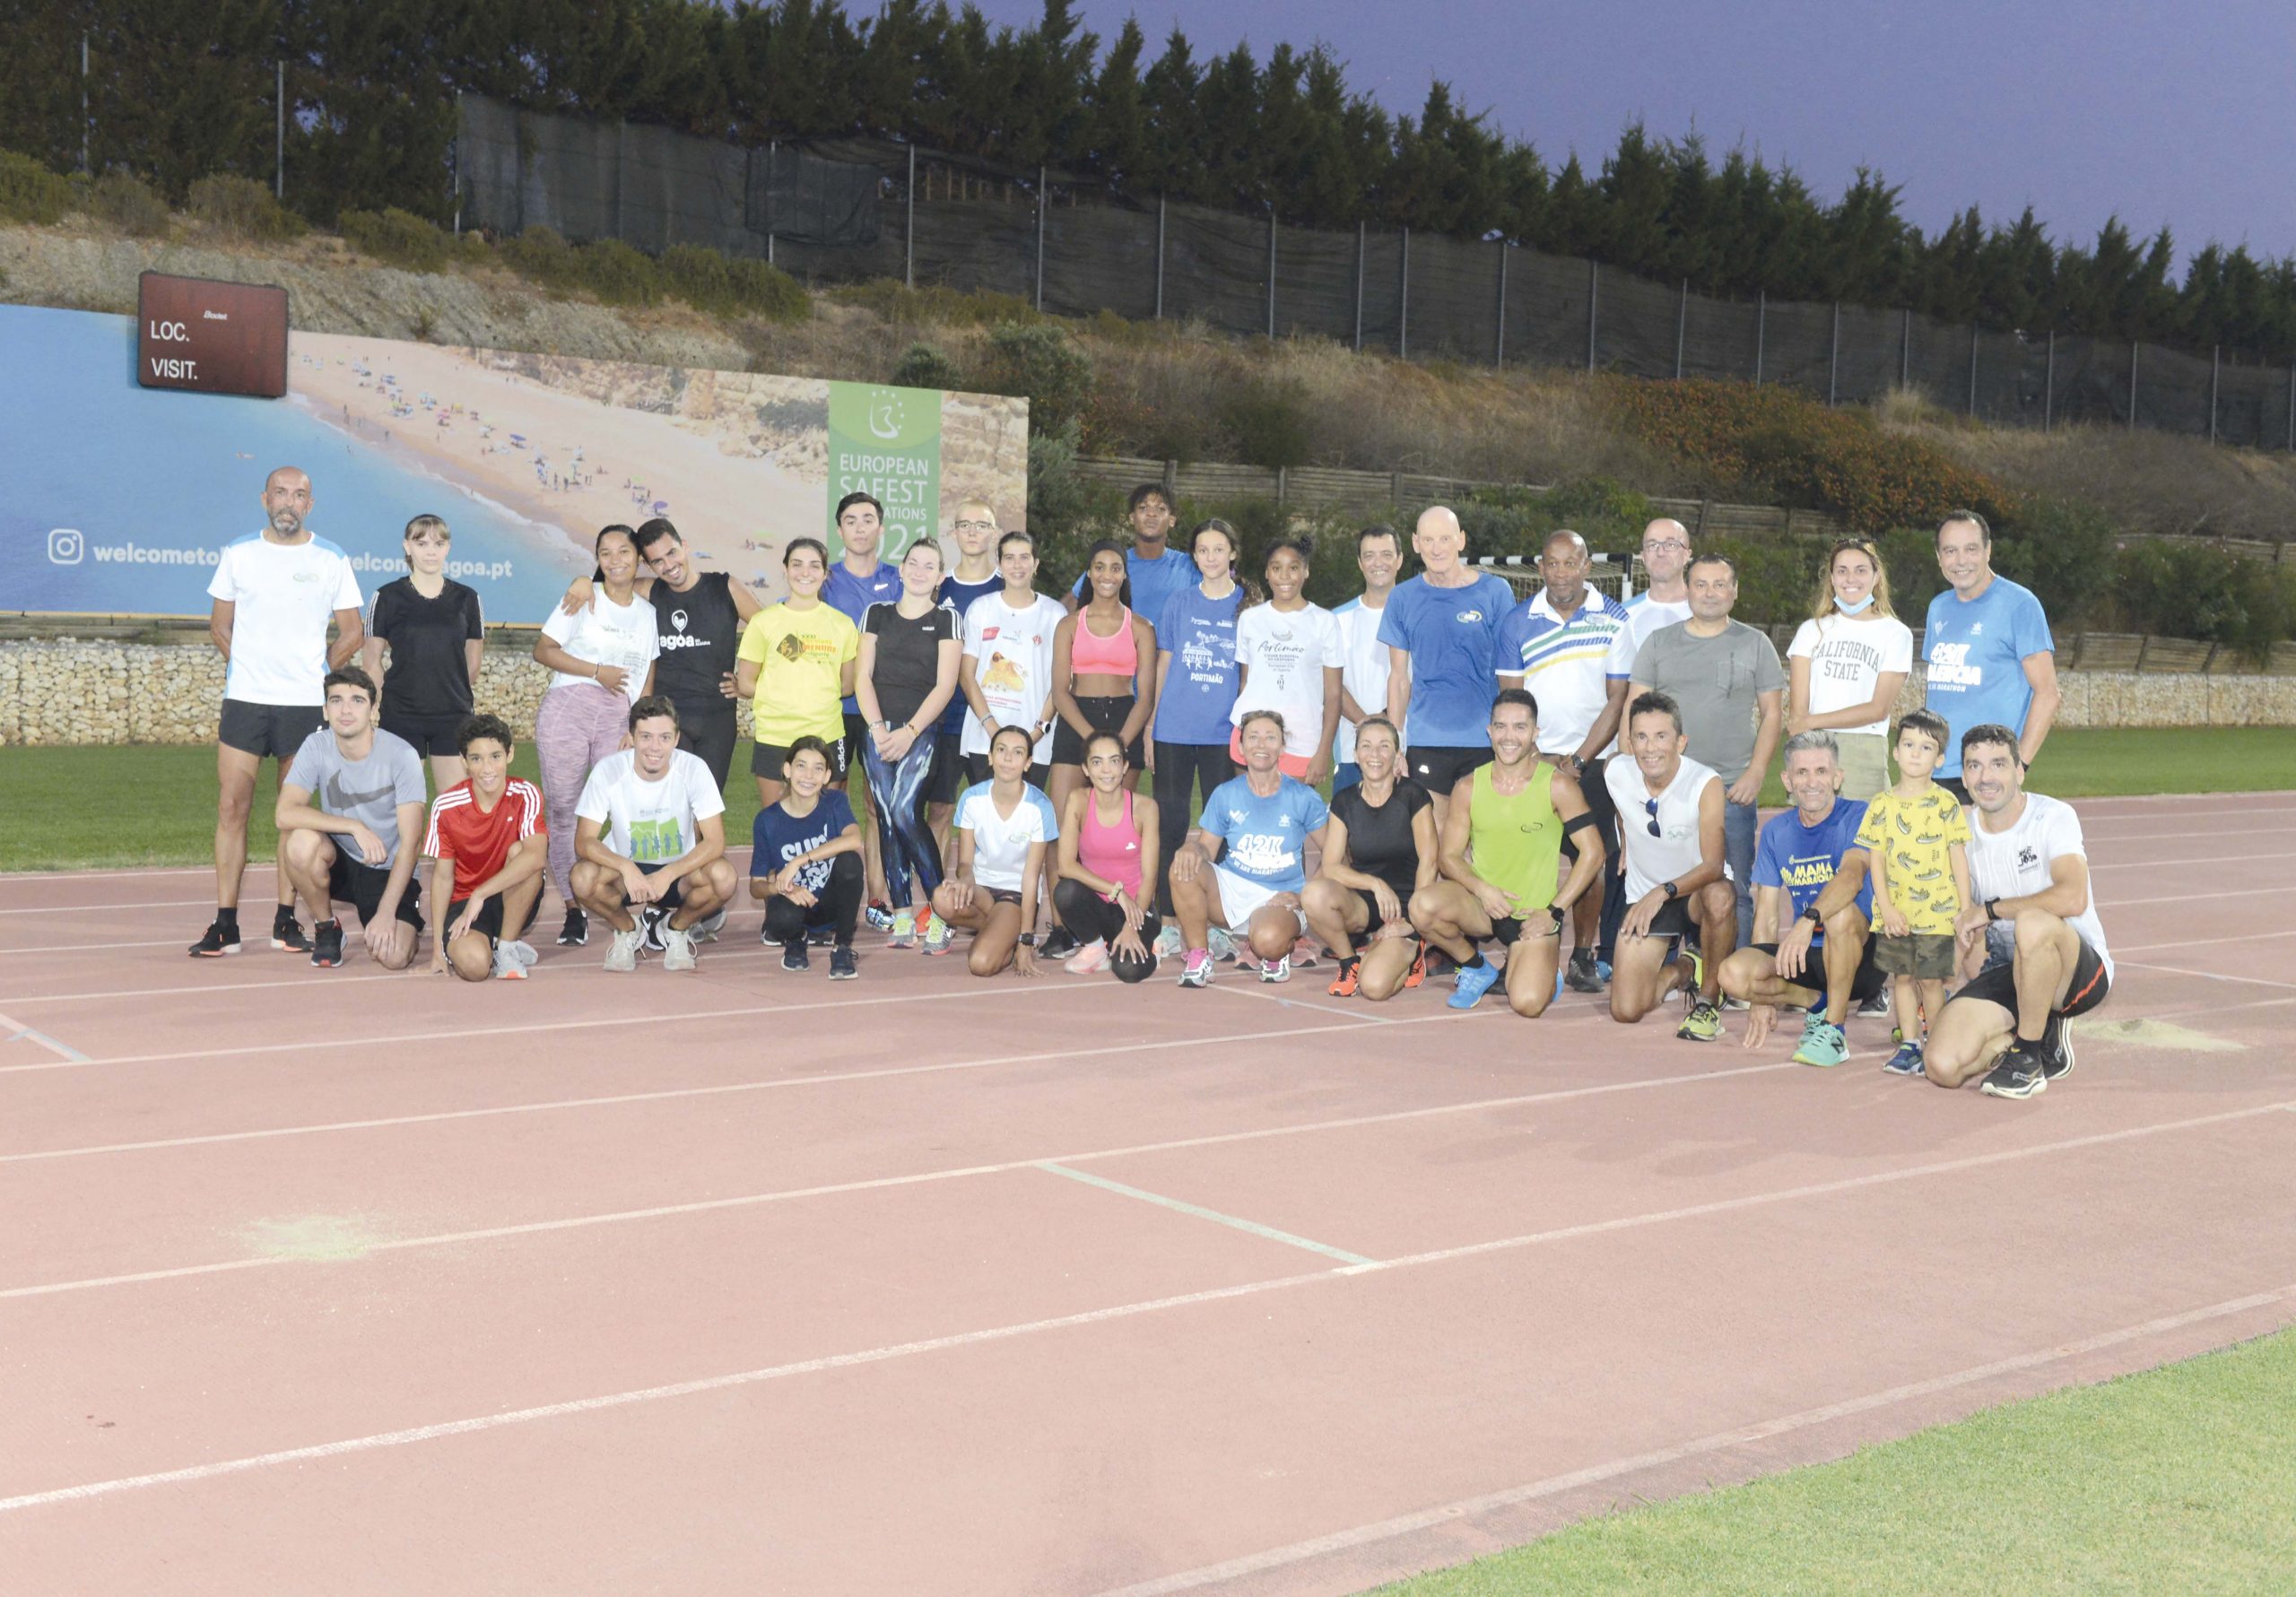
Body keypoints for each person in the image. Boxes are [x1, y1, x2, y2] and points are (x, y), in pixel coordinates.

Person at [193, 464, 365, 959]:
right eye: (281, 492)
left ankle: (286, 920)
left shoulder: (331, 557)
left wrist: (316, 675)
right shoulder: (238, 553)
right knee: (232, 808)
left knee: (291, 818)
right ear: (264, 498)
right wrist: (250, 669)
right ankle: (225, 923)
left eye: (300, 494)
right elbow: (219, 627)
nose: (289, 501)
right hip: (245, 702)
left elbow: (351, 633)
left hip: (304, 706)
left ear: (310, 504)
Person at [1920, 725, 2112, 1100]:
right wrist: (1935, 984)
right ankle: (2034, 1036)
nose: (1985, 777)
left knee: (2032, 922)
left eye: (1998, 764)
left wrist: (1990, 910)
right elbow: (1962, 924)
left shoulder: (2053, 816)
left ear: (2019, 771)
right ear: (1963, 776)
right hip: (2007, 970)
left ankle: (2027, 1057)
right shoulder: (1960, 833)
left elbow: (2073, 897)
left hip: (2073, 971)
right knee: (1942, 1066)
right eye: (1974, 766)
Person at [1408, 690, 1603, 1017]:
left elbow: (1593, 853)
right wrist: (1483, 890)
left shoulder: (1558, 786)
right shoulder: (1469, 786)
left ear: (1535, 734)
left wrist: (1554, 911)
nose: (1509, 737)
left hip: (1535, 914)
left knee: (1526, 1003)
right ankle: (1476, 966)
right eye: (1501, 727)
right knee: (1422, 906)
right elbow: (1449, 857)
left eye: (1519, 727)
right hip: (1485, 908)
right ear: (1489, 731)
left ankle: (1539, 968)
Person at [1496, 529, 1631, 994]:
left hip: (1590, 764)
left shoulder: (1616, 619)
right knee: (1520, 862)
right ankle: (1517, 951)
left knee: (1589, 863)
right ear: (1540, 568)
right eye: (1552, 564)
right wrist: (1535, 756)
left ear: (1587, 566)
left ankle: (1583, 955)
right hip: (1532, 762)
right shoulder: (1517, 622)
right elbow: (1511, 700)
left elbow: (1617, 702)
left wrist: (1577, 759)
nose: (1561, 573)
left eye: (1570, 563)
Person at [1630, 552, 1784, 946]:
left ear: (1734, 591)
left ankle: (1740, 974)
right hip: (1668, 790)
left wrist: (1755, 773)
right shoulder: (1659, 643)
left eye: (1719, 584)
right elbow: (1634, 714)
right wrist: (1637, 781)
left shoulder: (1756, 643)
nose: (1710, 593)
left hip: (1731, 788)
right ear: (1687, 589)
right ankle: (1676, 964)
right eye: (1700, 584)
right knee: (1670, 882)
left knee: (1735, 887)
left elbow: (1772, 715)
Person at [1717, 731, 1886, 1066]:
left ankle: (1834, 1030)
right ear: (1787, 780)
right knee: (1732, 974)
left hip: (1863, 956)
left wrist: (1808, 920)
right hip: (1810, 955)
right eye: (1802, 773)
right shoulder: (1777, 831)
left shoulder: (1859, 815)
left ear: (1838, 778)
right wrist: (1760, 1001)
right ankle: (1817, 1002)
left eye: (1822, 772)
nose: (1812, 782)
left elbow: (1852, 877)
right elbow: (1765, 915)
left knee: (1838, 915)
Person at [532, 525, 661, 947]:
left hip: (617, 715)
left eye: (624, 551)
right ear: (598, 559)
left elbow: (647, 675)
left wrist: (635, 725)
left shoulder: (647, 613)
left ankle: (612, 891)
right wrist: (594, 671)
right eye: (606, 553)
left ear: (638, 558)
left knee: (621, 807)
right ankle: (573, 910)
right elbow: (543, 649)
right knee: (565, 811)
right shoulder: (584, 597)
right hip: (569, 705)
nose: (616, 560)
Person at [569, 696, 737, 974]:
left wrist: (670, 873)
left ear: (676, 739)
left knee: (725, 877)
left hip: (679, 874)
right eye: (646, 736)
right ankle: (627, 930)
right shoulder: (608, 771)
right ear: (631, 736)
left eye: (664, 737)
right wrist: (625, 866)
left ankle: (676, 929)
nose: (655, 747)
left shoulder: (694, 769)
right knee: (582, 878)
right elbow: (584, 840)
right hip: (626, 875)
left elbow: (716, 841)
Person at [274, 667, 428, 970]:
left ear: (374, 710)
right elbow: (284, 813)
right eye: (336, 700)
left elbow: (411, 843)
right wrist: (353, 827)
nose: (346, 709)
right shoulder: (316, 746)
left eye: (357, 700)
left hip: (386, 867)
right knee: (299, 842)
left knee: (394, 957)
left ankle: (402, 919)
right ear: (325, 709)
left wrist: (386, 912)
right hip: (342, 858)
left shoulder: (401, 755)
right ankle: (326, 928)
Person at [1605, 692, 1737, 1037]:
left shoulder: (1704, 784)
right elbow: (1620, 806)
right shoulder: (1616, 771)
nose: (1650, 748)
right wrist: (1624, 839)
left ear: (1681, 741)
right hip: (1645, 893)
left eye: (1661, 736)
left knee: (1720, 895)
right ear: (1630, 741)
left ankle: (1709, 999)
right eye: (1641, 737)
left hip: (1694, 893)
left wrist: (1662, 893)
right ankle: (1685, 969)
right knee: (1625, 1009)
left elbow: (1713, 864)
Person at [1596, 517, 1695, 971]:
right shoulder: (1624, 615)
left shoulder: (1704, 607)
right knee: (1628, 851)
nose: (1660, 552)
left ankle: (1694, 953)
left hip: (1693, 760)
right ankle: (1614, 949)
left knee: (1693, 853)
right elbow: (1623, 697)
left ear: (1687, 552)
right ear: (1641, 555)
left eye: (1670, 544)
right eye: (1651, 545)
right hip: (1645, 756)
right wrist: (1625, 762)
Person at [1169, 709, 1331, 987]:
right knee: (1183, 869)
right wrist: (1191, 850)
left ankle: (1277, 949)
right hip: (1233, 893)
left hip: (1280, 896)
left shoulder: (1302, 797)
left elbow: (1334, 854)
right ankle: (1199, 956)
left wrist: (1304, 896)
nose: (1261, 745)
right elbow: (1207, 847)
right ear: (1241, 747)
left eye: (1271, 738)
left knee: (1267, 941)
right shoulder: (1226, 794)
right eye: (1253, 737)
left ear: (1282, 747)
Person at [1850, 709, 1972, 1077]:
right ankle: (1909, 1044)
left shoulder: (1947, 804)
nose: (1915, 753)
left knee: (1932, 980)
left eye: (1926, 747)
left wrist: (1965, 909)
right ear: (1895, 752)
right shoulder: (1882, 806)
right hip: (1897, 913)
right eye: (1908, 744)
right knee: (1902, 978)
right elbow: (1877, 862)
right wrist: (1886, 908)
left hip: (1938, 912)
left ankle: (1935, 1040)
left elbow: (1958, 859)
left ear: (1939, 758)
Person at [1379, 506, 1515, 827]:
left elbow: (1509, 672)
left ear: (1461, 540)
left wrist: (1510, 735)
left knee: (1482, 841)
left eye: (1445, 538)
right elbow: (1399, 678)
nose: (1437, 548)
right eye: (1428, 539)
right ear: (1415, 543)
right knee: (1436, 844)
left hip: (1484, 739)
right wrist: (1397, 743)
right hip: (1427, 740)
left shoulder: (1496, 592)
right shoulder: (1402, 598)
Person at [857, 538, 961, 950]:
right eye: (912, 563)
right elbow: (863, 677)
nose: (919, 571)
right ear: (900, 570)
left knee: (903, 809)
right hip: (877, 730)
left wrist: (910, 731)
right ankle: (902, 913)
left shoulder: (947, 619)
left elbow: (946, 684)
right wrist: (879, 728)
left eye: (929, 566)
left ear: (939, 577)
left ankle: (941, 911)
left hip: (920, 732)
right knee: (884, 813)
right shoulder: (876, 614)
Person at [1149, 519, 1248, 933]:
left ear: (1232, 554)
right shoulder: (1179, 602)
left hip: (1221, 732)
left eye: (1218, 549)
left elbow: (1246, 673)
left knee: (1220, 829)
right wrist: (1153, 720)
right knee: (1170, 823)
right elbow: (1165, 662)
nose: (1210, 557)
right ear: (1194, 556)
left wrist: (1243, 727)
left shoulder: (1247, 606)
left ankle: (1218, 918)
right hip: (1173, 728)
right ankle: (1168, 917)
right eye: (1203, 550)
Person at [1925, 511, 2060, 802]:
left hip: (1988, 773)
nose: (1961, 560)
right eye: (1950, 550)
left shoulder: (2020, 605)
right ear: (1939, 556)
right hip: (1937, 772)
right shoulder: (1938, 607)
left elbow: (2048, 693)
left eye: (1971, 549)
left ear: (1988, 550)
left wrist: (2019, 763)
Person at [1304, 717, 1435, 1000]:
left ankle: (1414, 948)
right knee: (1314, 894)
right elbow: (1331, 865)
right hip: (1364, 905)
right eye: (1366, 746)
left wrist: (1413, 920)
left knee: (1375, 988)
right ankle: (1349, 961)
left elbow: (1429, 862)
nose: (1374, 755)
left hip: (1406, 909)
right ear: (1355, 754)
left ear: (1397, 756)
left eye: (1384, 746)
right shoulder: (1344, 801)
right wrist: (1374, 883)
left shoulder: (1414, 796)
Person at [822, 491, 907, 924]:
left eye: (868, 519)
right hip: (834, 710)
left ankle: (877, 899)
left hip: (881, 709)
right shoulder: (823, 580)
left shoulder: (899, 580)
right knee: (830, 796)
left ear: (881, 527)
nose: (859, 527)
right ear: (839, 530)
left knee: (879, 804)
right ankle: (832, 896)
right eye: (851, 520)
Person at [735, 537, 859, 815]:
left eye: (815, 566)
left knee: (825, 822)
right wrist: (786, 696)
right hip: (776, 735)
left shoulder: (842, 625)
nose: (805, 573)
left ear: (825, 573)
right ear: (785, 569)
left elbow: (847, 686)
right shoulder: (764, 622)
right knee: (776, 823)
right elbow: (745, 682)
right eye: (797, 564)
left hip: (826, 734)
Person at [363, 513, 484, 792]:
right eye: (422, 543)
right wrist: (389, 702)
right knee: (401, 808)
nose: (431, 551)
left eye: (438, 543)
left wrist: (450, 694)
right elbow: (371, 662)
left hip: (454, 715)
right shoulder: (387, 597)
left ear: (448, 548)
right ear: (407, 547)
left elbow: (474, 662)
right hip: (401, 716)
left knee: (455, 810)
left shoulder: (467, 598)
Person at [422, 713, 547, 983]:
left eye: (495, 756)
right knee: (475, 968)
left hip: (509, 896)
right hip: (463, 902)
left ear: (510, 754)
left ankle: (506, 946)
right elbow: (443, 877)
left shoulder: (527, 794)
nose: (487, 768)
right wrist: (437, 951)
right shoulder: (445, 806)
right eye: (476, 759)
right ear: (464, 761)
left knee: (520, 853)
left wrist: (482, 893)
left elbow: (536, 857)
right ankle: (491, 945)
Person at [1787, 538, 1913, 803]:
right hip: (1814, 747)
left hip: (1863, 747)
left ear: (1876, 576)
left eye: (1861, 570)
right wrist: (1807, 725)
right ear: (1831, 578)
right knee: (1811, 837)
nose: (1850, 578)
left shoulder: (1895, 633)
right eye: (1842, 570)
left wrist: (1811, 721)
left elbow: (1877, 709)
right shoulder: (1811, 630)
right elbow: (1797, 713)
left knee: (1862, 840)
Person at [931, 725, 1062, 978]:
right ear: (990, 758)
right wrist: (966, 880)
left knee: (980, 964)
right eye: (1001, 750)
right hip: (981, 890)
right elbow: (965, 863)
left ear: (1028, 763)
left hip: (1014, 896)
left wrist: (1025, 939)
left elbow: (1031, 877)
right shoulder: (972, 799)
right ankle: (1000, 932)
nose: (1008, 758)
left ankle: (1008, 935)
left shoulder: (1039, 807)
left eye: (1017, 752)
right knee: (941, 898)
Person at [1048, 539, 1158, 823]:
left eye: (1115, 568)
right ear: (1088, 573)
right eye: (1099, 567)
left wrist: (1117, 745)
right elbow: (1060, 692)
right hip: (1076, 720)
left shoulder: (1142, 627)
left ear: (1124, 575)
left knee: (1111, 828)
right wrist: (1093, 739)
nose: (1107, 575)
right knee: (1061, 825)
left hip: (1124, 722)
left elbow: (1145, 699)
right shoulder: (1068, 625)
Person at [1231, 536, 1344, 785]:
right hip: (1252, 738)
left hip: (1303, 740)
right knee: (1252, 817)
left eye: (1293, 567)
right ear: (1267, 573)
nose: (1284, 576)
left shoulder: (1324, 622)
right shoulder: (1250, 619)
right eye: (1276, 568)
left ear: (1306, 572)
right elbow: (1245, 683)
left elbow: (1334, 695)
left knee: (1292, 820)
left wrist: (1323, 751)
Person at [1052, 731, 1164, 981]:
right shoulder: (1078, 801)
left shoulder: (1145, 808)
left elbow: (1149, 878)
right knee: (1065, 891)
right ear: (1085, 769)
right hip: (1099, 907)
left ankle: (1152, 945)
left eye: (1114, 761)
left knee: (1128, 971)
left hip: (1137, 908)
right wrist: (1117, 892)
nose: (1106, 770)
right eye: (1097, 762)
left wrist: (1131, 926)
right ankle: (1095, 947)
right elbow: (1066, 866)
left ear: (1125, 767)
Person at [748, 736, 864, 978]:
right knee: (779, 916)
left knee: (850, 862)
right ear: (787, 770)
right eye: (801, 766)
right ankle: (796, 940)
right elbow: (756, 886)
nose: (809, 776)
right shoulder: (767, 820)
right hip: (795, 906)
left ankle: (842, 947)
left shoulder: (835, 802)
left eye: (817, 769)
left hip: (830, 903)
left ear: (826, 776)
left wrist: (799, 860)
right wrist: (783, 889)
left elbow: (854, 839)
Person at [957, 530, 1066, 786]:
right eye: (1009, 558)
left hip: (1034, 742)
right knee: (984, 818)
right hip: (983, 737)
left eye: (1024, 557)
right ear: (999, 564)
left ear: (1036, 564)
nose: (1017, 565)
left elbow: (1060, 682)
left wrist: (1037, 732)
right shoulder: (981, 608)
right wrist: (993, 729)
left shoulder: (1055, 614)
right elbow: (967, 676)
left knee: (1024, 821)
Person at [931, 500, 1009, 851]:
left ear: (994, 534)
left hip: (991, 717)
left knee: (996, 809)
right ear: (954, 531)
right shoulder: (937, 587)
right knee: (940, 809)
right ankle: (935, 898)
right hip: (945, 716)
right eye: (965, 525)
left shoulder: (1008, 587)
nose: (973, 532)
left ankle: (995, 895)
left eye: (982, 525)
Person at [1066, 482, 1198, 630]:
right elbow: (1065, 607)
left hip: (1171, 653)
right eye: (1143, 508)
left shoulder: (1189, 566)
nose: (1151, 514)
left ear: (1172, 520)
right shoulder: (1114, 564)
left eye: (1160, 509)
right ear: (1131, 518)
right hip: (1120, 652)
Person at [1331, 524, 1401, 793]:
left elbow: (1419, 679)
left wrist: (1387, 723)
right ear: (1360, 563)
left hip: (1405, 752)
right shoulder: (1336, 619)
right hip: (1352, 753)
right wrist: (1367, 725)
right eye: (1369, 555)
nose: (1378, 563)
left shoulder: (1417, 616)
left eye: (1386, 554)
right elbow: (1332, 684)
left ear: (1400, 560)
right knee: (1350, 833)